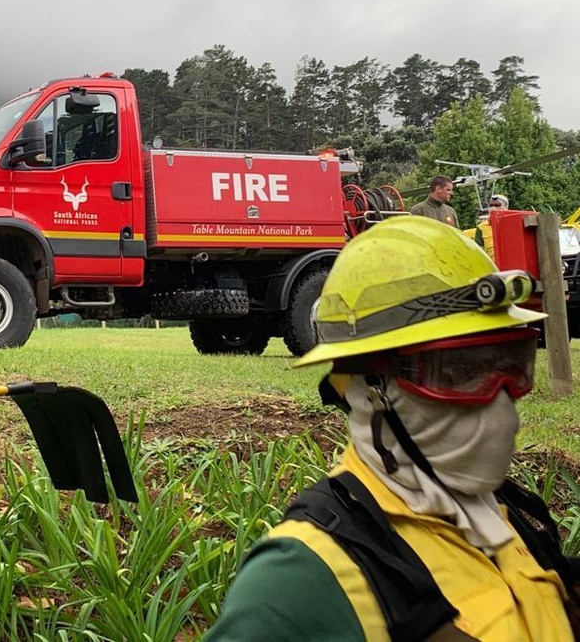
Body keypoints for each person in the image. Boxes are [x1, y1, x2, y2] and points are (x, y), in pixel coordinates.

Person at [204, 217, 576, 641]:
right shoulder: (302, 581)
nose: (501, 401)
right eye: (459, 371)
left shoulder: (509, 518)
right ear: (367, 390)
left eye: (510, 364)